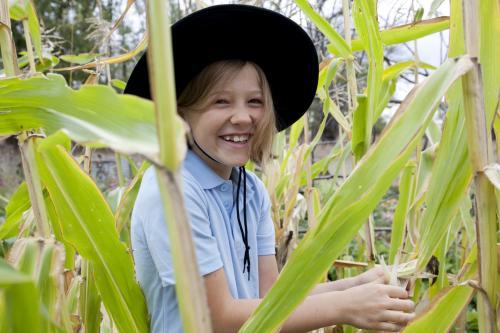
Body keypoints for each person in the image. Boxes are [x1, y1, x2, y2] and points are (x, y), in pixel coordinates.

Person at [126, 4, 415, 333]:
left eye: (255, 102)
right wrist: (343, 306)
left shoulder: (250, 191)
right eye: (221, 101)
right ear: (180, 114)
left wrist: (354, 287)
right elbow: (216, 318)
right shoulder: (172, 190)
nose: (243, 117)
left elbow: (270, 298)